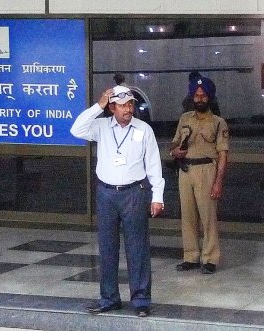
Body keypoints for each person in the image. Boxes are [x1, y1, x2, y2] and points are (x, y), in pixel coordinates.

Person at [70, 85, 165, 317]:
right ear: (112, 107)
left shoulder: (143, 129)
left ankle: (141, 299)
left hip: (134, 193)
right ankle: (109, 297)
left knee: (138, 248)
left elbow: (153, 164)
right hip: (106, 194)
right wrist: (97, 106)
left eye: (130, 104)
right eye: (123, 105)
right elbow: (76, 129)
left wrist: (157, 196)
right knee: (107, 248)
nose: (128, 109)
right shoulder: (101, 127)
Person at [170, 77, 229, 274]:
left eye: (203, 96)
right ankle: (191, 256)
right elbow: (174, 143)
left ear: (209, 98)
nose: (200, 98)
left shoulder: (218, 123)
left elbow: (222, 154)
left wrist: (218, 182)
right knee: (187, 215)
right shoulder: (185, 118)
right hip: (185, 171)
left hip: (206, 170)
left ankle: (210, 258)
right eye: (196, 95)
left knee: (208, 216)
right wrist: (175, 152)